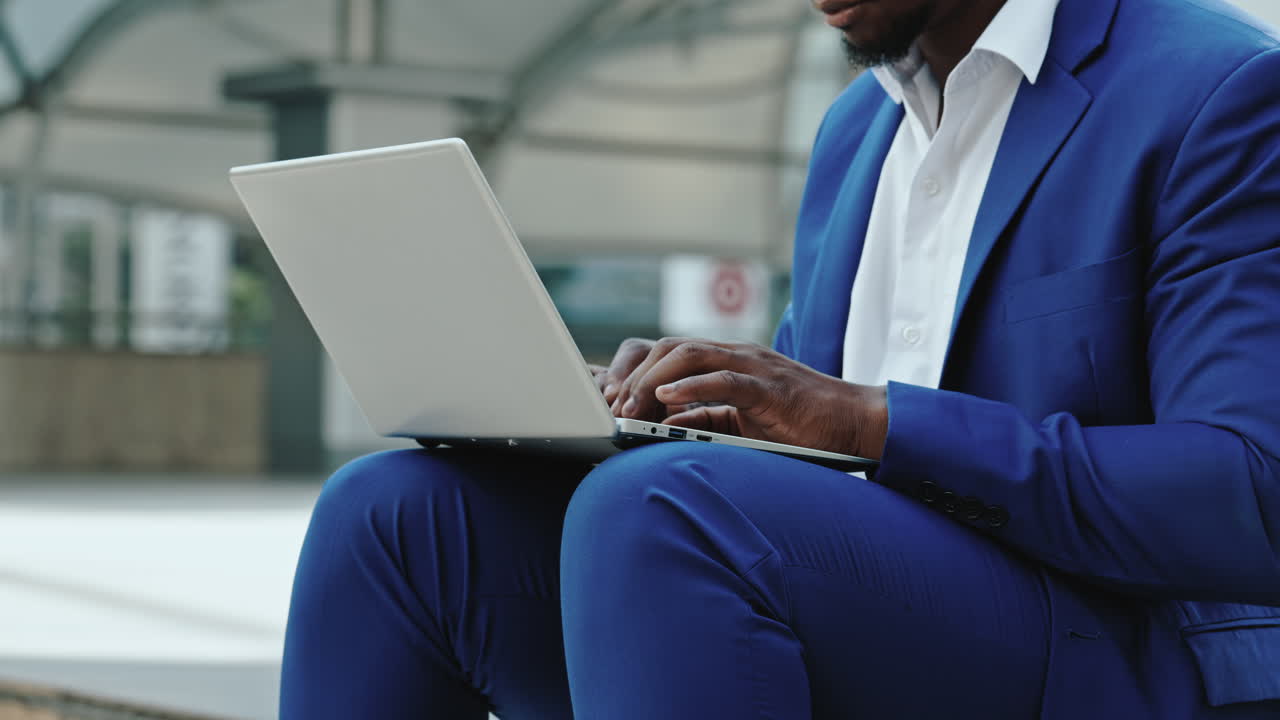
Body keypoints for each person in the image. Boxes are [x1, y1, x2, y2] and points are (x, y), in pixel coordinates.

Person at [278, 0, 1280, 716]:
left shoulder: (1215, 87)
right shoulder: (857, 129)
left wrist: (862, 419)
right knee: (395, 518)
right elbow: (798, 464)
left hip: (1120, 649)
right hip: (880, 604)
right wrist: (679, 408)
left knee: (665, 511)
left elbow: (1251, 493)